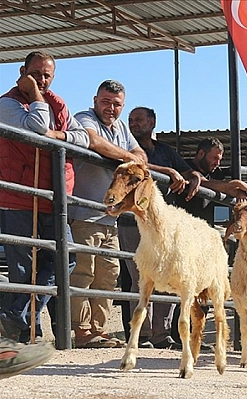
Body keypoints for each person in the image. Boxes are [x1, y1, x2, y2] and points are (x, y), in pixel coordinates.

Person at [0, 51, 90, 343]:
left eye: (46, 75)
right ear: (23, 70)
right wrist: (36, 94)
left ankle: (14, 318)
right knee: (23, 269)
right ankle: (29, 333)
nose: (41, 79)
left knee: (66, 259)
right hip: (19, 199)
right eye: (36, 73)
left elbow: (83, 138)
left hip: (53, 200)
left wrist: (60, 136)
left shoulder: (58, 104)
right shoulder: (7, 103)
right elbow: (38, 128)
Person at [69, 80, 148, 348]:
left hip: (110, 215)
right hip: (84, 212)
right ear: (95, 100)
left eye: (116, 104)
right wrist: (128, 158)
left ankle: (98, 330)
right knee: (83, 273)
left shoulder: (121, 127)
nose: (111, 108)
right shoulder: (84, 118)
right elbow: (95, 142)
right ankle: (82, 331)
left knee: (108, 275)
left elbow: (140, 153)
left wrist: (128, 156)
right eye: (106, 102)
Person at [117, 106, 201, 349]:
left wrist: (193, 176)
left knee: (167, 275)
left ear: (152, 122)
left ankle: (161, 335)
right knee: (140, 276)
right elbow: (134, 167)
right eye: (131, 120)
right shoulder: (127, 148)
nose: (134, 124)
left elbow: (186, 170)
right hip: (133, 222)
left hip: (164, 225)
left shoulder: (165, 150)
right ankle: (140, 335)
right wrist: (169, 173)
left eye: (139, 120)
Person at [173, 137, 247, 224]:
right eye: (215, 158)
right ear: (201, 153)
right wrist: (234, 185)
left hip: (205, 229)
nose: (217, 163)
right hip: (183, 226)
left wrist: (239, 192)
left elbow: (221, 187)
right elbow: (205, 183)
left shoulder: (216, 173)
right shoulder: (184, 168)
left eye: (219, 160)